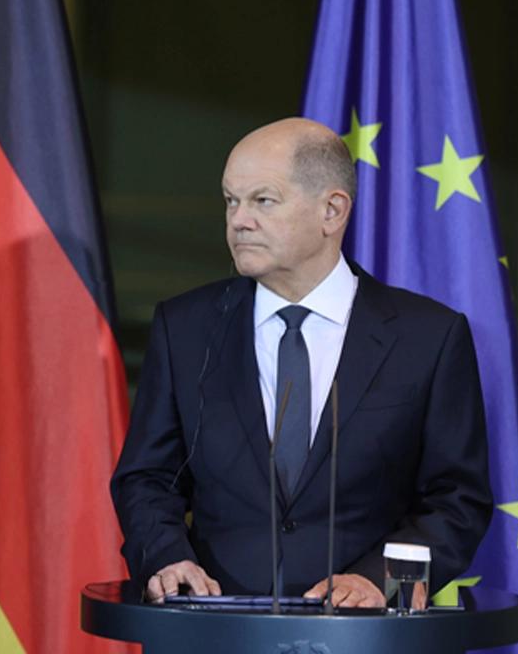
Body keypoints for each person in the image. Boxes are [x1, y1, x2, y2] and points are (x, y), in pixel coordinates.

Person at [110, 117, 491, 607]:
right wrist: (166, 558)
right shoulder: (184, 328)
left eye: (262, 201)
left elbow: (457, 499)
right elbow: (147, 477)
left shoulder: (428, 337)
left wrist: (379, 580)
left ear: (332, 211)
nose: (239, 220)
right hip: (215, 624)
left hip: (363, 633)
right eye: (231, 200)